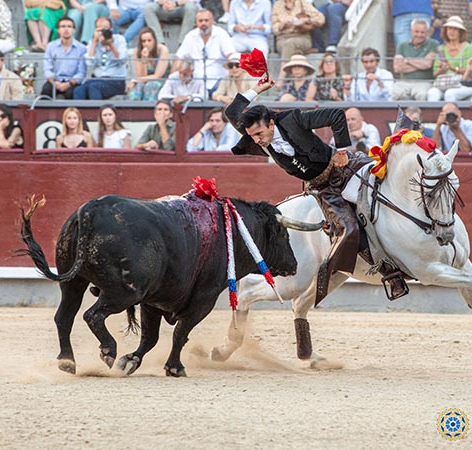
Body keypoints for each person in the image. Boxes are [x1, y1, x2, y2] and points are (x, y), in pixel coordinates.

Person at [225, 75, 408, 303]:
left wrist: (342, 150)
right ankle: (390, 273)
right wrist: (256, 89)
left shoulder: (292, 120)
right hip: (323, 187)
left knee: (382, 193)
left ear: (271, 123)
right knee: (347, 228)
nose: (257, 140)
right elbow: (232, 112)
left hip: (343, 166)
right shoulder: (256, 136)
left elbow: (335, 115)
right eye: (252, 136)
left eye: (260, 134)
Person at [174, 9, 236, 97]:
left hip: (217, 82)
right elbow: (179, 58)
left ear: (212, 21)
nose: (203, 23)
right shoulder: (191, 36)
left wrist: (229, 78)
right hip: (196, 83)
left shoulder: (221, 34)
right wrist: (173, 79)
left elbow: (231, 55)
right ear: (196, 23)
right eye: (200, 21)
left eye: (206, 20)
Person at [73, 17, 127, 100]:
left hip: (116, 80)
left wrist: (111, 45)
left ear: (111, 29)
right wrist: (94, 42)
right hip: (98, 78)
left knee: (94, 87)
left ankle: (96, 112)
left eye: (106, 29)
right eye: (100, 30)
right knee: (78, 90)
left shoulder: (120, 39)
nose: (103, 32)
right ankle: (79, 112)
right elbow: (90, 63)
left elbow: (121, 60)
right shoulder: (93, 42)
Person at [426, 15, 472, 102]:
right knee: (432, 93)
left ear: (460, 32)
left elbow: (471, 71)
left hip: (463, 84)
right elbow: (435, 73)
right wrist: (442, 69)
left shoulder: (468, 48)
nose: (451, 32)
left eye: (455, 29)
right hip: (443, 83)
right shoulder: (440, 49)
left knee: (450, 93)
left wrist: (452, 68)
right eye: (449, 29)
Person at [392, 18, 439, 101]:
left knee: (421, 94)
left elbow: (428, 64)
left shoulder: (433, 44)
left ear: (427, 33)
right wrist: (420, 63)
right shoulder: (402, 46)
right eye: (416, 32)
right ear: (411, 31)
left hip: (424, 82)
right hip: (404, 82)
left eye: (422, 32)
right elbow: (398, 68)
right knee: (392, 94)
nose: (419, 35)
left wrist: (407, 61)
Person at [41, 17, 87, 99]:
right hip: (54, 81)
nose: (66, 29)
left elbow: (81, 72)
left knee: (74, 93)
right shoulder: (51, 46)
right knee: (46, 91)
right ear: (58, 30)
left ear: (74, 30)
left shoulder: (81, 48)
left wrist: (69, 84)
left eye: (69, 26)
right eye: (63, 26)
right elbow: (47, 69)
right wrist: (55, 83)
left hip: (72, 82)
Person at [126, 27, 170, 101]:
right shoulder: (137, 51)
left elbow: (158, 75)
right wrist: (144, 60)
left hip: (162, 80)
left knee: (151, 85)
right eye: (144, 41)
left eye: (149, 41)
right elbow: (141, 76)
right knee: (138, 87)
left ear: (154, 41)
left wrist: (134, 80)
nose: (146, 44)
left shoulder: (162, 50)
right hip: (145, 80)